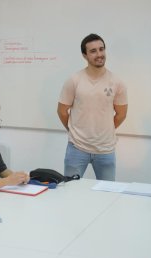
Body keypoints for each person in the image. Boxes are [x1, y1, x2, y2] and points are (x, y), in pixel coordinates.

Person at [57, 33, 128, 181]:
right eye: (93, 51)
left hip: (106, 150)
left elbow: (121, 114)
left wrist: (105, 130)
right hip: (76, 148)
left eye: (101, 49)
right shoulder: (74, 80)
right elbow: (62, 111)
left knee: (107, 194)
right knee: (70, 192)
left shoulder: (117, 82)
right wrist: (73, 130)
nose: (99, 54)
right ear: (85, 55)